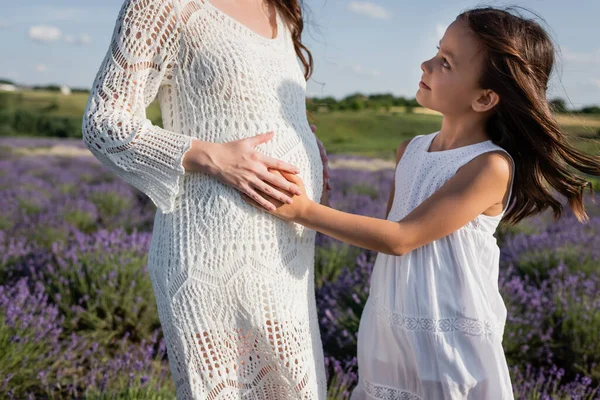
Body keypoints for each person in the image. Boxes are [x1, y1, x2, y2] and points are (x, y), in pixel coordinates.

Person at [242, 6, 600, 399]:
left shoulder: (488, 166)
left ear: (484, 97)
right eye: (436, 51)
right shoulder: (408, 151)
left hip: (447, 336)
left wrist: (304, 211)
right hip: (391, 323)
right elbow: (384, 238)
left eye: (445, 62)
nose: (426, 64)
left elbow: (401, 238)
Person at [81, 0, 332, 398]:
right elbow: (104, 122)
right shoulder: (163, 5)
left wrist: (306, 146)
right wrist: (212, 157)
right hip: (212, 252)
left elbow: (254, 104)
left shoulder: (280, 10)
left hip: (286, 251)